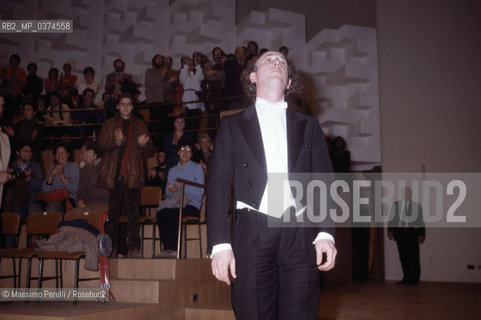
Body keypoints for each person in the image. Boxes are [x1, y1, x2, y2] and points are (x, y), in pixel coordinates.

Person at [207, 51, 337, 319]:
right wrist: (220, 245)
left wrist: (326, 233)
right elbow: (218, 186)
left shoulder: (309, 125)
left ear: (289, 82)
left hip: (299, 231)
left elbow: (324, 180)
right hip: (252, 231)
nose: (277, 63)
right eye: (269, 60)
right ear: (253, 77)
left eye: (283, 63)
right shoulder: (231, 126)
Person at [97, 92, 155, 258]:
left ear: (133, 106)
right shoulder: (109, 124)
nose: (126, 107)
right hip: (114, 174)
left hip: (133, 174)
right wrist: (115, 142)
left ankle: (133, 248)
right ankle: (112, 248)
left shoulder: (140, 124)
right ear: (117, 106)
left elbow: (150, 151)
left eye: (129, 104)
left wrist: (144, 145)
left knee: (133, 213)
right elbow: (101, 146)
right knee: (113, 213)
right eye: (122, 104)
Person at [156, 139, 204, 257]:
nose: (185, 152)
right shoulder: (173, 170)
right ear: (178, 152)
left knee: (174, 214)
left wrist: (182, 187)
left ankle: (173, 250)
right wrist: (172, 190)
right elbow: (169, 194)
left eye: (188, 150)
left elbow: (200, 191)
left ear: (192, 153)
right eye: (182, 149)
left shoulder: (197, 168)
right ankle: (166, 249)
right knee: (162, 213)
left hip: (192, 205)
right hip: (176, 203)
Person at [388, 187, 425, 285]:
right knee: (403, 258)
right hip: (400, 236)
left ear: (411, 194)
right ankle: (406, 277)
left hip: (412, 236)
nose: (407, 194)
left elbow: (421, 221)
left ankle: (415, 279)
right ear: (402, 194)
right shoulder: (396, 205)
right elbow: (391, 219)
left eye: (408, 193)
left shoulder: (416, 206)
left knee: (414, 258)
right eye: (405, 193)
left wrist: (421, 234)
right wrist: (390, 231)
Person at [29, 142, 79, 215]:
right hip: (52, 198)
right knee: (34, 206)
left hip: (67, 200)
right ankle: (39, 226)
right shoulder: (52, 167)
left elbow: (73, 189)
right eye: (57, 153)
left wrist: (62, 175)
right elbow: (45, 190)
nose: (60, 156)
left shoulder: (74, 166)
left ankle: (53, 226)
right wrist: (50, 176)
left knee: (52, 206)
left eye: (62, 153)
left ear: (68, 154)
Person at [3, 143, 43, 219]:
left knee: (32, 208)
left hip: (31, 200)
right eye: (25, 151)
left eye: (30, 151)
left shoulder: (36, 167)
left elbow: (39, 187)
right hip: (14, 201)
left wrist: (28, 179)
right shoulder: (11, 167)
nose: (29, 153)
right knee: (15, 208)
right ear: (18, 153)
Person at [77, 140, 109, 211]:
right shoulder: (85, 168)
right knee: (73, 217)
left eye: (83, 153)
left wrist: (88, 166)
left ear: (92, 152)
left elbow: (94, 181)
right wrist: (80, 200)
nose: (81, 157)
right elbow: (80, 191)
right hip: (88, 204)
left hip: (104, 203)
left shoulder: (105, 165)